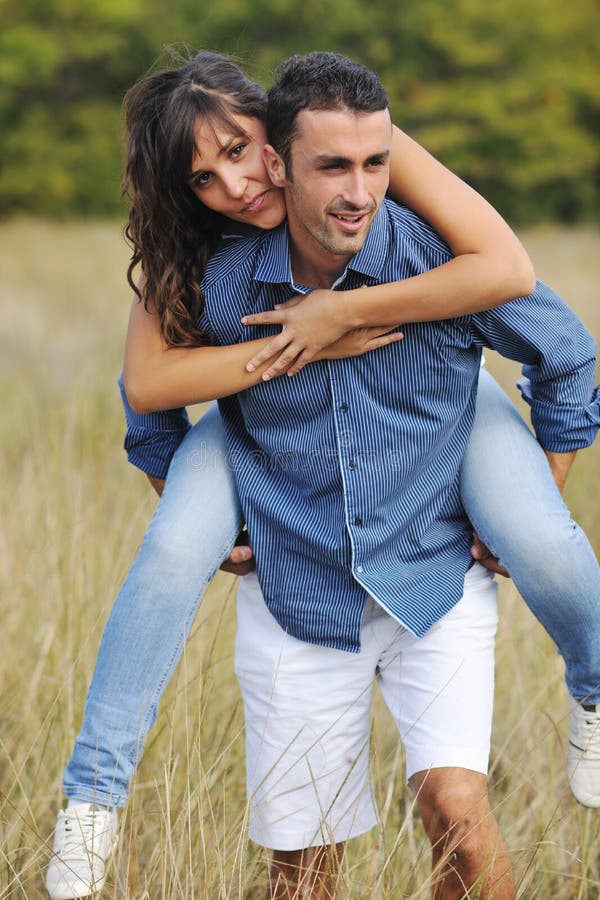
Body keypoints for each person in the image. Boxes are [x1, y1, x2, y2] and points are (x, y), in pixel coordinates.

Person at [45, 50, 600, 900]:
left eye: (241, 151)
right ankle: (92, 798)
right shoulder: (210, 269)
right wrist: (291, 349)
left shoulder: (386, 194)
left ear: (274, 136)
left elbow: (525, 295)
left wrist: (344, 310)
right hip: (285, 535)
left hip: (434, 529)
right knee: (170, 553)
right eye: (206, 175)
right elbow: (148, 394)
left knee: (536, 538)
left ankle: (594, 690)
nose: (234, 184)